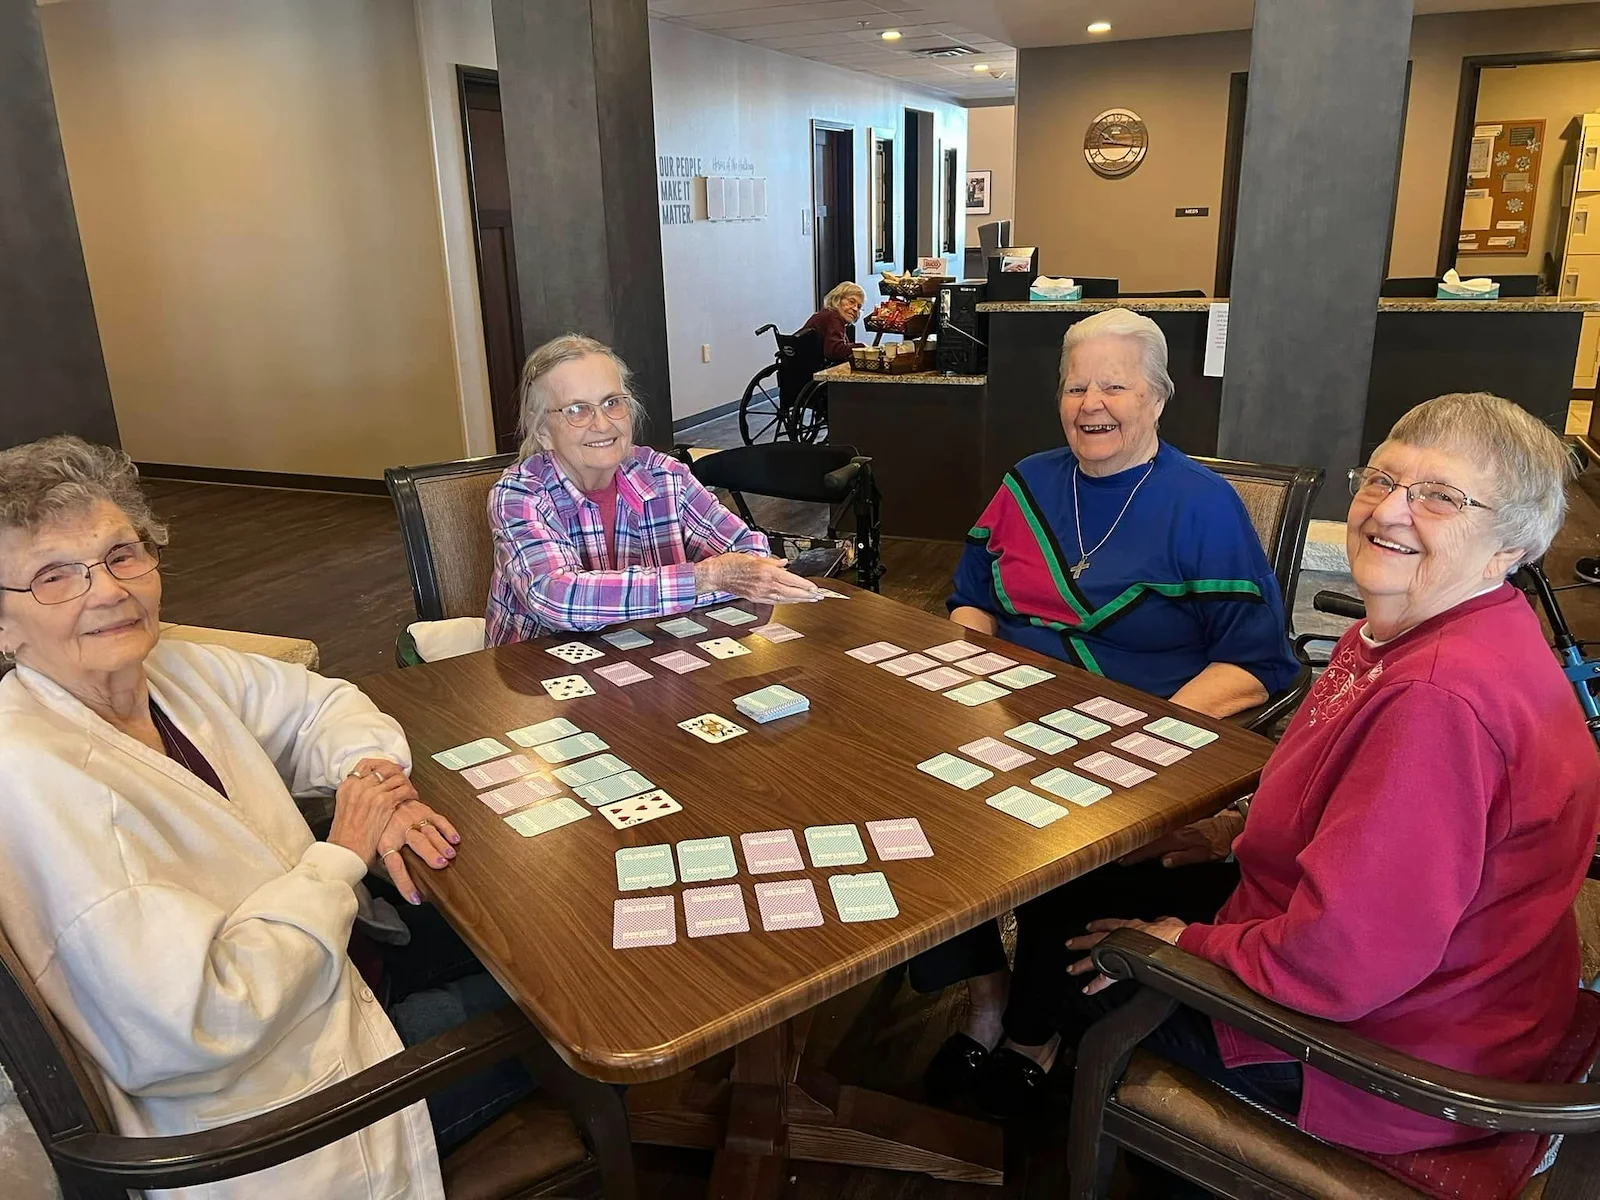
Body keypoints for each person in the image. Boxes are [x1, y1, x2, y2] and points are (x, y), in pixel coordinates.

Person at [1023, 393, 1600, 1154]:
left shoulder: (1438, 702)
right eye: (1384, 479)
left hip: (1390, 1057)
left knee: (1074, 960)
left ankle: (1074, 1115)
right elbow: (1359, 819)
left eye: (1440, 498)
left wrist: (1179, 946)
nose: (1391, 511)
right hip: (1456, 987)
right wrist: (1231, 834)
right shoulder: (1421, 628)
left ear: (1510, 546)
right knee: (1087, 876)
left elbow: (1342, 964)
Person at [0, 436, 529, 1198]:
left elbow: (323, 706)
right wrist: (341, 853)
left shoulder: (166, 672)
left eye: (122, 554)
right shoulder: (39, 784)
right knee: (578, 1000)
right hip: (283, 1119)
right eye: (54, 576)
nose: (108, 590)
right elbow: (196, 1023)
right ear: (4, 623)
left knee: (529, 910)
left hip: (330, 983)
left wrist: (372, 787)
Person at [918, 307, 1299, 1108]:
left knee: (1072, 826)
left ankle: (1037, 1029)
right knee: (918, 807)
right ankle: (984, 997)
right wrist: (971, 671)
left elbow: (1258, 663)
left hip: (1140, 731)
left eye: (1115, 386)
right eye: (1076, 384)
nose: (1092, 403)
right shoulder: (1027, 480)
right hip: (1011, 715)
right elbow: (969, 599)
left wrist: (1143, 729)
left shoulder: (1202, 505)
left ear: (1159, 398)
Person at [486, 333, 822, 642]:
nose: (602, 424)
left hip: (653, 657)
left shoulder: (663, 474)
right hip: (536, 686)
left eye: (612, 403)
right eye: (577, 410)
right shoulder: (518, 495)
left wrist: (724, 575)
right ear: (542, 430)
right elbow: (559, 599)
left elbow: (751, 553)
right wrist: (706, 578)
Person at [798, 281, 865, 364]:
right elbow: (834, 351)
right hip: (812, 373)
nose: (855, 309)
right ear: (837, 299)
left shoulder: (827, 314)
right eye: (851, 301)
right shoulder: (833, 317)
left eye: (859, 307)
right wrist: (862, 347)